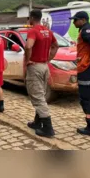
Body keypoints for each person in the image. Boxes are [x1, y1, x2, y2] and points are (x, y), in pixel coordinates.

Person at [25, 10, 59, 138]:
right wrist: (48, 58)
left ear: (32, 18)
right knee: (41, 94)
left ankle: (48, 128)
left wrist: (28, 60)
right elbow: (56, 46)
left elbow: (28, 46)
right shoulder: (48, 31)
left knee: (37, 96)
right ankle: (37, 122)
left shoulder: (33, 31)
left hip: (35, 67)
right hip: (45, 66)